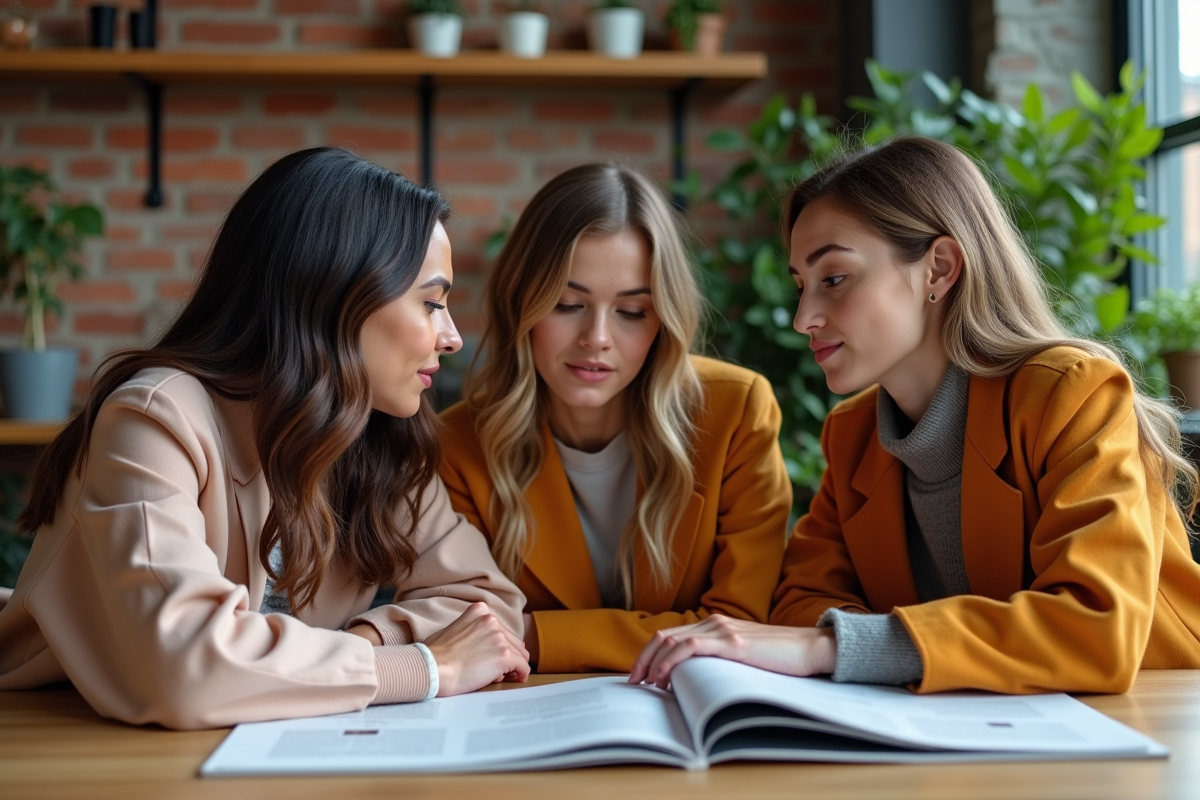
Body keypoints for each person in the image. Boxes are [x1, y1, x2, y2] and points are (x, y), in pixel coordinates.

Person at [630, 136, 1200, 694]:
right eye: (801, 285)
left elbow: (1094, 628)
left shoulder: (1072, 396)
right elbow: (802, 602)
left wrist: (835, 646)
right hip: (966, 738)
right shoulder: (853, 434)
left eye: (834, 279)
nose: (804, 316)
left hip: (1150, 727)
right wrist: (844, 641)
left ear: (939, 268)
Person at [0, 147, 530, 729]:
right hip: (49, 728)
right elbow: (185, 668)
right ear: (331, 296)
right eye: (431, 302)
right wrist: (422, 668)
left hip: (269, 736)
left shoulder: (378, 433)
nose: (451, 336)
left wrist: (373, 639)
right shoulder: (155, 418)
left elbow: (488, 608)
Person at [438, 163, 792, 674]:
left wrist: (536, 634)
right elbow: (461, 629)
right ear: (522, 303)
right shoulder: (457, 446)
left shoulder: (736, 412)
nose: (597, 338)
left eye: (631, 312)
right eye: (566, 303)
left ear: (664, 318)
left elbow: (738, 626)